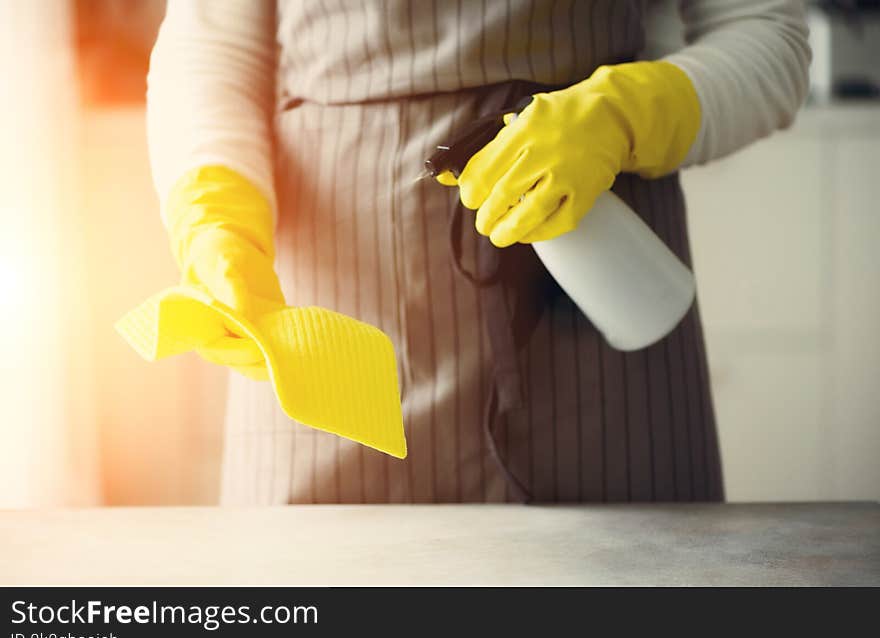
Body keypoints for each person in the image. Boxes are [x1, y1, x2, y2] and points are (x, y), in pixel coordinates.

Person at [146, 0, 810, 504]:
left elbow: (766, 35)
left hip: (599, 296)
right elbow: (213, 44)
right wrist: (214, 216)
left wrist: (625, 113)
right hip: (335, 312)